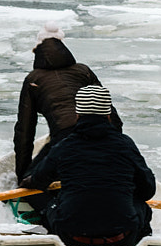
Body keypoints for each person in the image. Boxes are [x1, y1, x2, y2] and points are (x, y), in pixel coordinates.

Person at [18, 85, 156, 246]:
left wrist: (29, 181)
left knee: (51, 205)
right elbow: (148, 190)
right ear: (108, 114)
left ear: (77, 114)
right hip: (122, 237)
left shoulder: (65, 145)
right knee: (141, 205)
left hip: (71, 237)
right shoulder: (125, 144)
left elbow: (39, 181)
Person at [13, 21, 121, 181]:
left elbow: (25, 132)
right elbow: (109, 111)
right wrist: (116, 147)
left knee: (35, 181)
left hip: (64, 137)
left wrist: (23, 174)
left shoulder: (33, 79)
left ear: (37, 53)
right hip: (100, 131)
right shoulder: (83, 70)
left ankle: (53, 204)